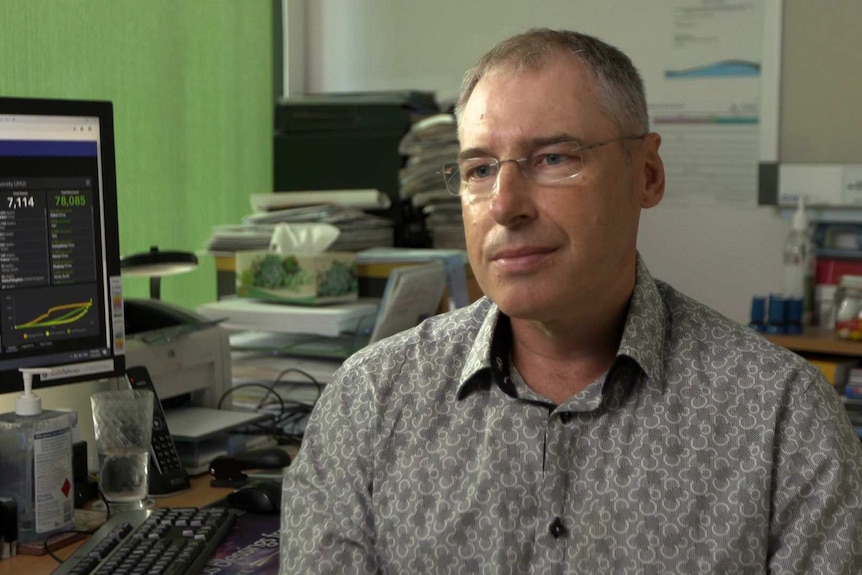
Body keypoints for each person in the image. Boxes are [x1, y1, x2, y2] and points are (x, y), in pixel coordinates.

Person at [280, 28, 862, 574]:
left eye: (554, 158)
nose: (506, 205)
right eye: (479, 169)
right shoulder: (368, 405)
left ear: (649, 174)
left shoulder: (783, 418)